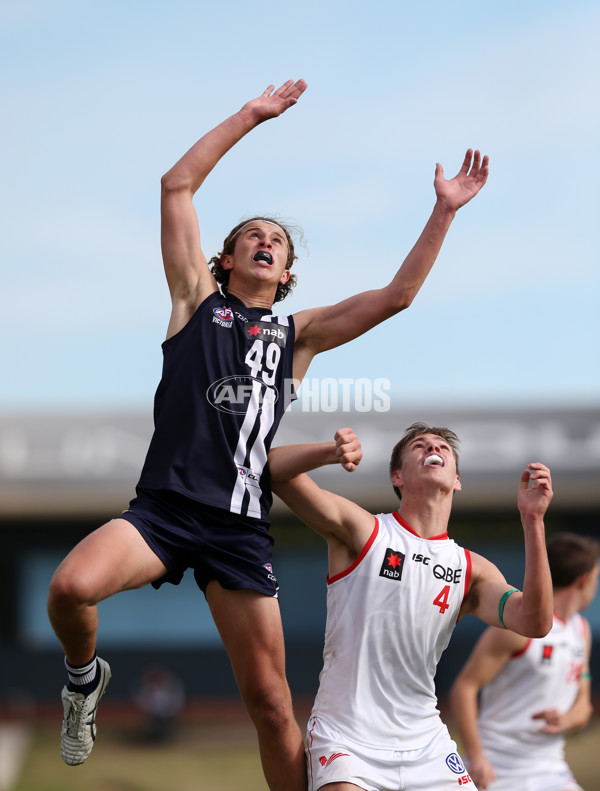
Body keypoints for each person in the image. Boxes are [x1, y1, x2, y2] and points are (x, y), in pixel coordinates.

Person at [47, 77, 489, 790]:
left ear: (286, 274)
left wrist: (443, 211)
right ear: (225, 259)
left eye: (278, 241)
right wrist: (250, 116)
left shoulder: (298, 337)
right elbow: (175, 186)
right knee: (69, 588)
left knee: (274, 706)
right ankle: (82, 681)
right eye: (253, 232)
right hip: (162, 511)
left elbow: (396, 297)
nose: (265, 239)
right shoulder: (195, 301)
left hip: (239, 526)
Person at [268, 422, 554, 791]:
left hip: (426, 744)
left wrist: (533, 521)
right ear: (397, 476)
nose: (432, 447)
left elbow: (535, 622)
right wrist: (330, 452)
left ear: (457, 480)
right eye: (419, 445)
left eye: (441, 447)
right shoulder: (365, 531)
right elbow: (273, 469)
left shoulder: (472, 569)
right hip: (348, 739)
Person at [449, 532, 599, 791]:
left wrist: (566, 720)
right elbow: (465, 688)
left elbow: (583, 706)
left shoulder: (581, 631)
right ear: (584, 580)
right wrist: (476, 757)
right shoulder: (516, 628)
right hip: (496, 771)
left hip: (550, 770)